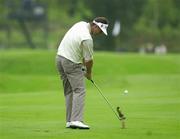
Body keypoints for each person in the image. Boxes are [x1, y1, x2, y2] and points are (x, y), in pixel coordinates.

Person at [56, 17, 109, 129]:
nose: (99, 34)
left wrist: (83, 67)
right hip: (70, 61)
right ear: (96, 26)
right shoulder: (87, 39)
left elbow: (81, 54)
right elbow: (89, 60)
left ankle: (69, 121)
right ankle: (77, 120)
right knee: (79, 90)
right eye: (100, 31)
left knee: (69, 91)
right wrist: (88, 73)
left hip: (59, 59)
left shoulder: (80, 24)